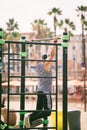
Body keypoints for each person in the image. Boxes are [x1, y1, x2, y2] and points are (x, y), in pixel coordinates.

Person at [24, 37, 58, 128]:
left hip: (39, 90)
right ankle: (30, 119)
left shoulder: (38, 64)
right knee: (48, 111)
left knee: (39, 109)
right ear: (46, 60)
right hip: (45, 91)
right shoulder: (46, 65)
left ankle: (29, 116)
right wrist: (54, 43)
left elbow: (33, 55)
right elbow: (52, 55)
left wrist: (30, 45)